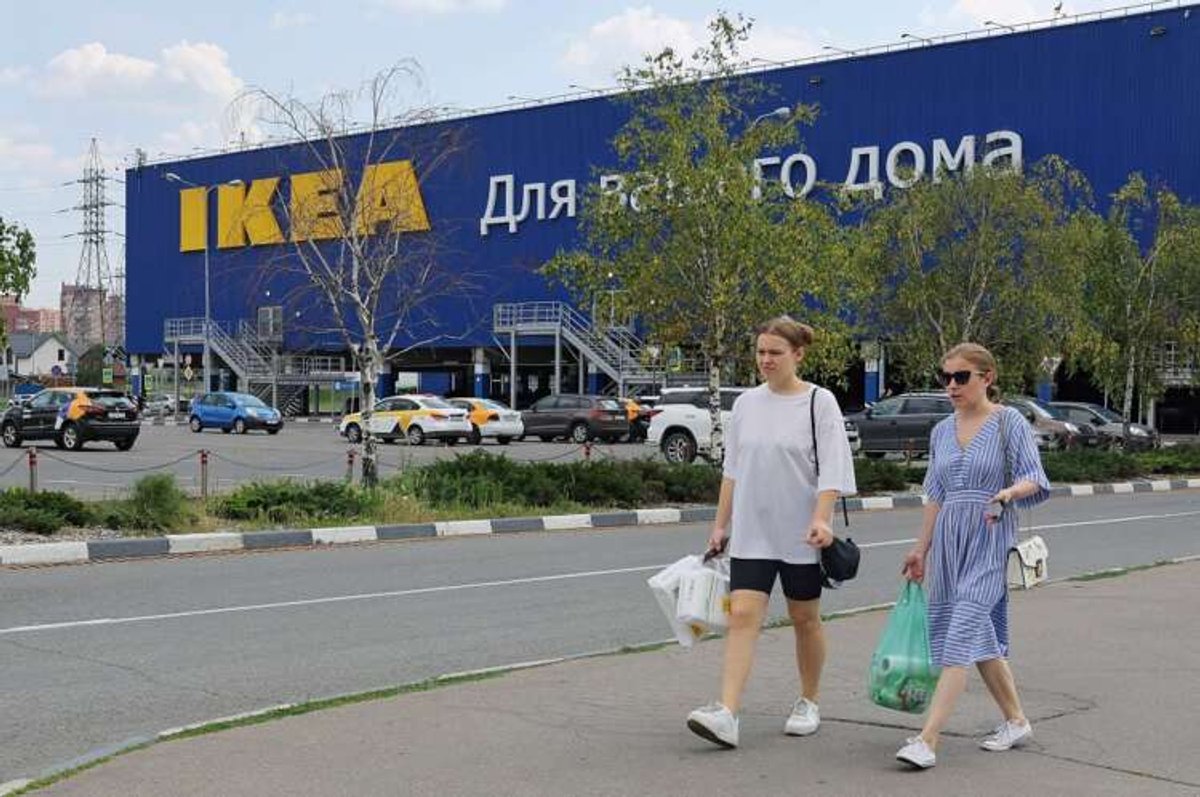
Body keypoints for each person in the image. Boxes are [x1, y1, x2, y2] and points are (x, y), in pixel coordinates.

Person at [686, 316, 857, 749]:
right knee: (742, 615)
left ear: (798, 355)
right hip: (753, 532)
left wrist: (822, 520)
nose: (766, 360)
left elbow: (832, 469)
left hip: (802, 535)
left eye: (775, 353)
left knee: (804, 618)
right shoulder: (746, 404)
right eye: (761, 352)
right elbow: (732, 470)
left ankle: (809, 701)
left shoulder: (819, 402)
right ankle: (727, 713)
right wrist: (720, 525)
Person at [896, 343, 1050, 769]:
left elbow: (1035, 477)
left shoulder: (1008, 422)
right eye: (945, 377)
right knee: (974, 634)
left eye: (961, 377)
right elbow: (935, 494)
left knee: (960, 635)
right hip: (949, 544)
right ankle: (1016, 721)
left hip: (990, 537)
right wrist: (921, 549)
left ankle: (927, 739)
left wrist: (1008, 493)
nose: (951, 385)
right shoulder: (941, 431)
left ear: (987, 377)